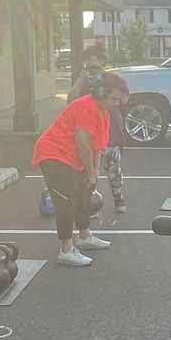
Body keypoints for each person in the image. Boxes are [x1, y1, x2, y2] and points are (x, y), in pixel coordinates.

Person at [34, 69, 128, 266]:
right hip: (54, 154)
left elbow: (97, 146)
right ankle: (66, 250)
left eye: (119, 100)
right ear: (101, 91)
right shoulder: (87, 107)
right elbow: (83, 144)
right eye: (114, 98)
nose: (116, 104)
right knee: (66, 200)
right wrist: (90, 172)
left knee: (83, 195)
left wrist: (94, 173)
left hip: (72, 157)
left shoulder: (104, 112)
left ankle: (84, 237)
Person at [83, 44, 128, 212]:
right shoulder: (84, 79)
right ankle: (89, 204)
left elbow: (124, 99)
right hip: (90, 131)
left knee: (113, 168)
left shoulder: (111, 79)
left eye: (91, 59)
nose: (88, 63)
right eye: (86, 60)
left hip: (111, 132)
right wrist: (81, 80)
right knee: (88, 170)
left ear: (102, 59)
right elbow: (71, 100)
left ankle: (119, 200)